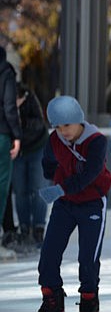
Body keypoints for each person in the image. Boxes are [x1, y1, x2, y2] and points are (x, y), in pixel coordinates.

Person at [37, 95, 111, 312]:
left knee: (88, 258)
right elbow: (48, 160)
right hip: (65, 204)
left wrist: (61, 188)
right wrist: (53, 176)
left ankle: (89, 300)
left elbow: (91, 173)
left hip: (92, 203)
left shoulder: (97, 141)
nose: (63, 131)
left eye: (67, 125)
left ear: (79, 120)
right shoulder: (54, 139)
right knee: (49, 255)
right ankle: (52, 299)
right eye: (58, 127)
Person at [12, 83, 49, 250]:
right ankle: (25, 227)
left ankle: (39, 227)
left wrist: (20, 122)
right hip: (16, 151)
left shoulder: (29, 97)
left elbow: (39, 123)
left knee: (38, 187)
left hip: (37, 148)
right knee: (20, 190)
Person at [0, 45, 21, 262]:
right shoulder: (5, 72)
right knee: (1, 188)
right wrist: (17, 135)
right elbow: (9, 107)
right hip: (1, 135)